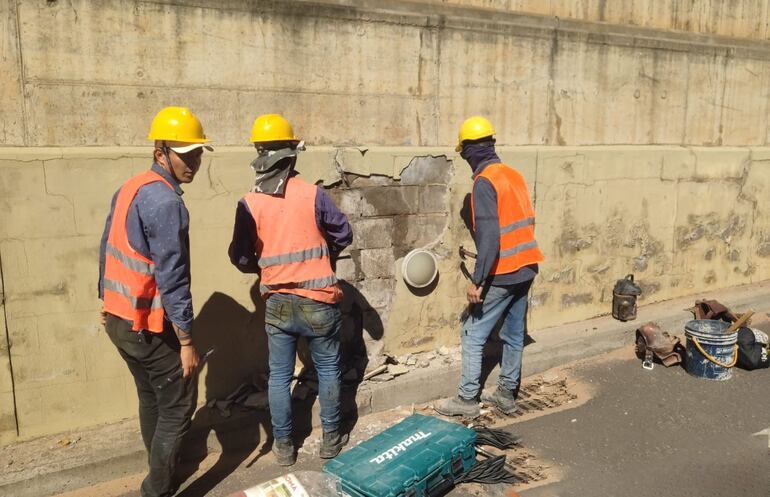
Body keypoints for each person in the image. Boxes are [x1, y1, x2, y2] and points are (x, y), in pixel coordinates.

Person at [98, 106, 212, 496]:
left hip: (120, 319)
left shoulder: (130, 187)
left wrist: (105, 300)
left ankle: (161, 468)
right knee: (179, 407)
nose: (194, 162)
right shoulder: (166, 203)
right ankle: (157, 488)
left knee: (151, 397)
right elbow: (173, 278)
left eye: (198, 153)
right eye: (186, 154)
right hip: (145, 325)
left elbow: (106, 248)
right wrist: (185, 342)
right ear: (161, 151)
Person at [228, 114, 352, 466]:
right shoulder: (313, 194)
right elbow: (344, 234)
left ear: (259, 154)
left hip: (278, 303)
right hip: (319, 301)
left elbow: (239, 256)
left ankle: (283, 447)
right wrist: (324, 257)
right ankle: (330, 440)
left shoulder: (249, 203)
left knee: (280, 376)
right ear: (292, 154)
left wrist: (266, 266)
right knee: (328, 369)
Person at [435, 116, 543, 418]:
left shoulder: (484, 183)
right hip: (527, 266)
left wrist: (478, 281)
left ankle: (467, 399)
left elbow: (490, 238)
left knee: (471, 331)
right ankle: (507, 395)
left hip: (503, 271)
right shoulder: (513, 175)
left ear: (469, 149)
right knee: (512, 333)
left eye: (463, 152)